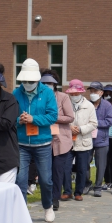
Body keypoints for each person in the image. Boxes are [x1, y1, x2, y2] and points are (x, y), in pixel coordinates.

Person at [13, 58, 58, 221]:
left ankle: (48, 206)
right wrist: (20, 120)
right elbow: (11, 116)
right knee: (21, 179)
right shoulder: (16, 93)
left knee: (46, 180)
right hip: (21, 144)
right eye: (25, 80)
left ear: (37, 79)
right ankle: (22, 211)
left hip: (43, 143)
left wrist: (34, 119)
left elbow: (53, 116)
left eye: (31, 80)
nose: (28, 83)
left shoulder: (47, 93)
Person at [43, 70, 74, 205]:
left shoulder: (62, 97)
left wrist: (53, 118)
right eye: (44, 83)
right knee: (45, 173)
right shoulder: (39, 98)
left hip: (61, 141)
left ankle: (55, 198)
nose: (47, 85)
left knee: (57, 171)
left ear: (55, 84)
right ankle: (47, 197)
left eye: (50, 83)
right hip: (43, 139)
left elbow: (70, 117)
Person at [65, 79, 97, 200]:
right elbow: (61, 120)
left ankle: (78, 192)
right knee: (66, 168)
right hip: (68, 142)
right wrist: (69, 128)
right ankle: (67, 191)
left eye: (76, 94)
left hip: (84, 141)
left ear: (81, 93)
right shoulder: (65, 103)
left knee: (82, 169)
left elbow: (94, 123)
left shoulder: (89, 106)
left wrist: (81, 129)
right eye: (72, 94)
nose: (74, 96)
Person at [89, 81, 112, 196]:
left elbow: (109, 122)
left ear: (101, 92)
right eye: (91, 91)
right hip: (87, 139)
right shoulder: (87, 104)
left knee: (101, 164)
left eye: (95, 91)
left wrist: (94, 123)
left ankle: (98, 187)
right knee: (84, 163)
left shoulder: (107, 105)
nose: (92, 93)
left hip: (102, 140)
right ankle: (86, 184)